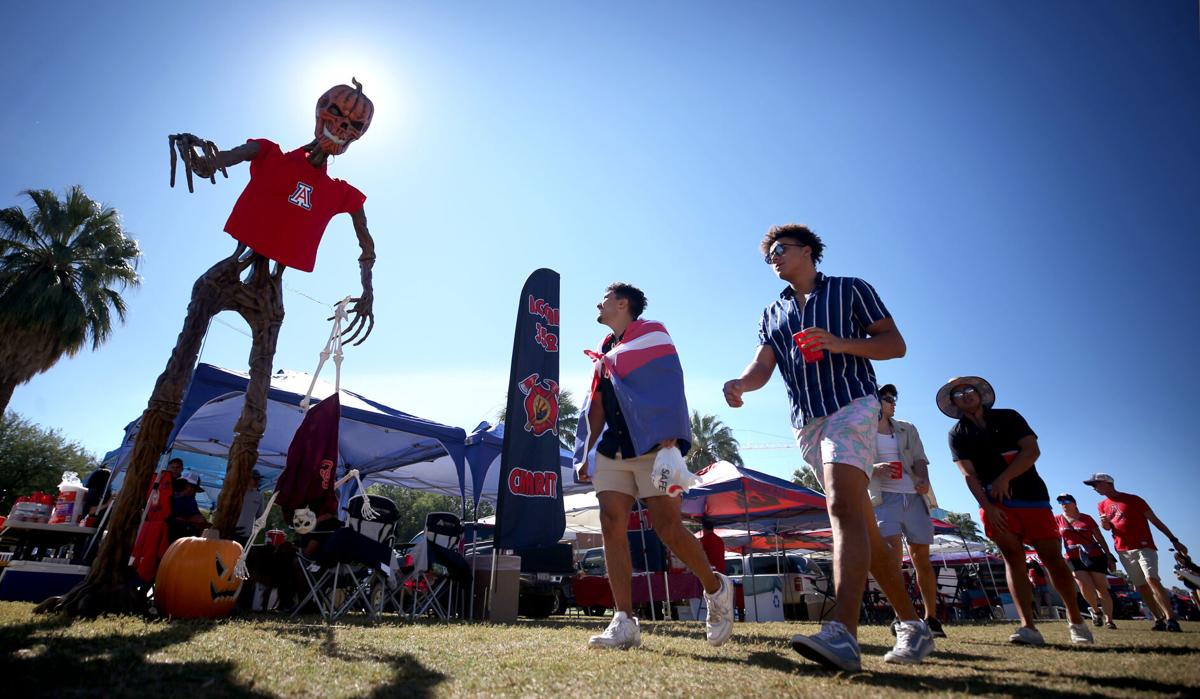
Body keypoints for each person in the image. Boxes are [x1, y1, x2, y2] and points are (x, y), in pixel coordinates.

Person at [722, 224, 933, 670]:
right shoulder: (771, 312)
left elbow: (895, 345)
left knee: (840, 507)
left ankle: (843, 635)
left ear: (809, 251)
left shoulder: (851, 289)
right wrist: (742, 384)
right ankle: (913, 626)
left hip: (854, 405)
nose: (774, 259)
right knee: (862, 525)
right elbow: (764, 364)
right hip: (807, 422)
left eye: (781, 250)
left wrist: (839, 343)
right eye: (769, 256)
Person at [574, 282, 734, 650]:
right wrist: (584, 452)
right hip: (614, 448)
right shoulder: (604, 350)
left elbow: (670, 384)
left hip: (654, 444)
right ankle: (624, 620)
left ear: (623, 302)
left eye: (604, 298)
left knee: (669, 528)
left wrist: (671, 433)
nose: (597, 303)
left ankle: (716, 589)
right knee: (611, 522)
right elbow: (596, 403)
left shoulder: (653, 333)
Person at [940, 376, 1094, 645]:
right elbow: (967, 474)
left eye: (969, 389)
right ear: (952, 402)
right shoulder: (957, 434)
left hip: (1031, 496)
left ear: (979, 393)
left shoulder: (1009, 417)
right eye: (958, 393)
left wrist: (1004, 479)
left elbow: (1031, 451)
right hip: (994, 503)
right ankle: (1028, 627)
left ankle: (1076, 621)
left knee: (1053, 559)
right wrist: (987, 506)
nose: (965, 395)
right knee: (1012, 558)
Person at [872, 383, 945, 638]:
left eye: (894, 398)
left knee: (921, 559)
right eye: (887, 398)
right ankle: (901, 616)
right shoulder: (862, 430)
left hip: (914, 496)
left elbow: (920, 459)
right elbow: (854, 463)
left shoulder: (907, 428)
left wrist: (923, 480)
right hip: (883, 499)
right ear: (874, 399)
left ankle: (931, 618)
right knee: (891, 558)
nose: (892, 402)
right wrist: (874, 469)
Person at [1085, 472, 1188, 632]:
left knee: (1151, 579)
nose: (1094, 488)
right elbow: (1108, 528)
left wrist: (1173, 539)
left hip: (1144, 546)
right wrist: (1104, 524)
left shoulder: (1134, 499)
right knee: (1141, 586)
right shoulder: (1101, 505)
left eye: (1096, 484)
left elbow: (1154, 520)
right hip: (1123, 549)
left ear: (1107, 483)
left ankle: (1171, 619)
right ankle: (1159, 619)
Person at [1055, 492, 1117, 629]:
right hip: (1073, 557)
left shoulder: (1086, 518)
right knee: (1085, 587)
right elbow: (1058, 540)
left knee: (1102, 588)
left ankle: (1109, 621)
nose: (1063, 505)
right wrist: (1058, 557)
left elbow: (1099, 537)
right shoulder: (1057, 519)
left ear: (1074, 503)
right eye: (1061, 502)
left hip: (1094, 555)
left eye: (1066, 501)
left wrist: (1108, 554)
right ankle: (1096, 611)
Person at [167, 473, 209, 541]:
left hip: (169, 536)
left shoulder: (169, 497)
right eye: (194, 489)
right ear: (187, 486)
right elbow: (199, 519)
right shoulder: (189, 500)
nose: (194, 493)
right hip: (181, 538)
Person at [234, 469, 266, 541]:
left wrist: (256, 530)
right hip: (232, 533)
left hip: (248, 535)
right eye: (255, 479)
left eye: (259, 479)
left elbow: (260, 517)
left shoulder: (259, 495)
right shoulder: (237, 492)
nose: (258, 481)